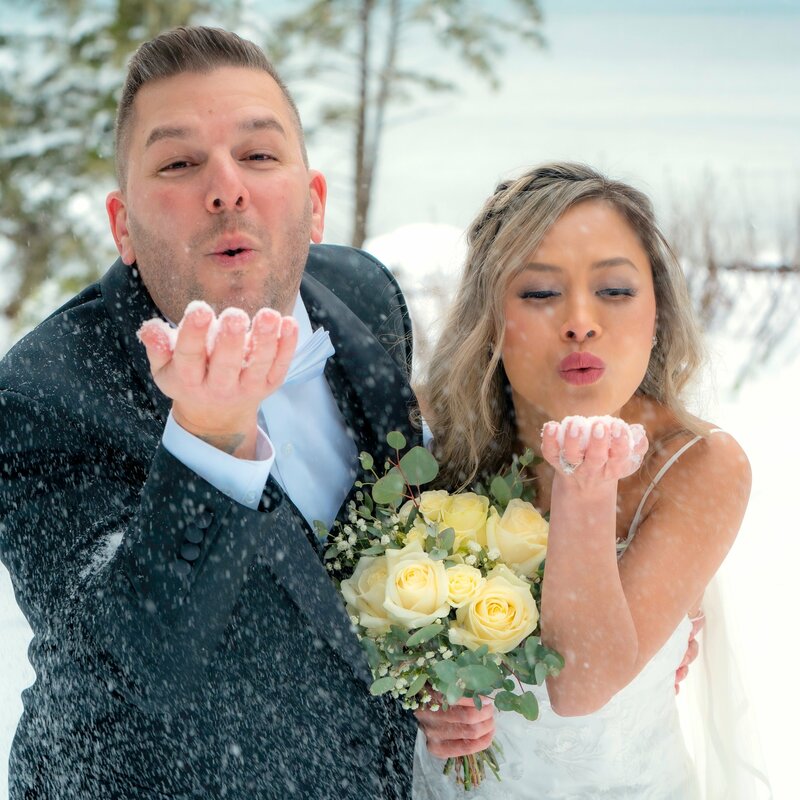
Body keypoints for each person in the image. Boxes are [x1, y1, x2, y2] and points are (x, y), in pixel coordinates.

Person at [0, 26, 419, 799]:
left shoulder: (369, 295)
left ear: (315, 201)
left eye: (259, 155)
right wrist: (209, 441)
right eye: (180, 163)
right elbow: (127, 663)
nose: (227, 187)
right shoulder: (38, 393)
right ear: (123, 226)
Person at [412, 163, 756, 798]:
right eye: (540, 294)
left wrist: (585, 486)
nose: (579, 321)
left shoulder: (700, 466)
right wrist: (423, 694)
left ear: (659, 308)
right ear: (490, 313)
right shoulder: (426, 441)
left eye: (616, 291)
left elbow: (581, 685)